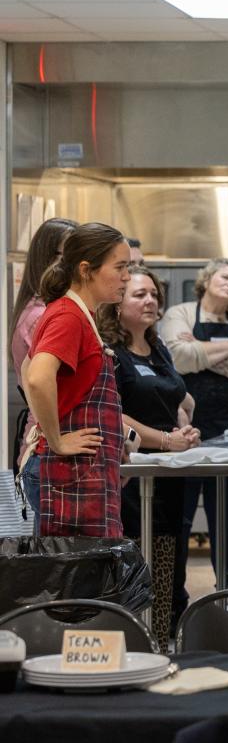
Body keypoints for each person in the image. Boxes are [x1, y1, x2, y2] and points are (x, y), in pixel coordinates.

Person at [97, 266, 201, 649]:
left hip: (169, 474)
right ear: (117, 303)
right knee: (137, 565)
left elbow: (174, 396)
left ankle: (163, 642)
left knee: (170, 566)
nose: (151, 301)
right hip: (131, 477)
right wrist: (164, 440)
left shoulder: (157, 347)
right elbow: (113, 411)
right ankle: (136, 645)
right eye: (139, 294)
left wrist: (184, 426)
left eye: (154, 294)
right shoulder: (111, 352)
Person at [162, 258, 228, 592]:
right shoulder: (179, 313)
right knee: (179, 517)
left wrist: (200, 354)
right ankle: (175, 598)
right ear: (206, 280)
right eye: (225, 277)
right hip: (186, 432)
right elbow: (176, 357)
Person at [22, 222, 131, 537]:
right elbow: (37, 377)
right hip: (70, 475)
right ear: (87, 269)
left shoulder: (81, 314)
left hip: (84, 472)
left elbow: (33, 364)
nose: (127, 276)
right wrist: (56, 440)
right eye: (120, 267)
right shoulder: (69, 316)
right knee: (75, 581)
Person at [10, 217, 78, 529]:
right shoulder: (43, 317)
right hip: (52, 455)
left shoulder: (56, 312)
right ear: (47, 260)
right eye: (69, 257)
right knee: (58, 569)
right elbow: (40, 384)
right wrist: (58, 441)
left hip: (55, 453)